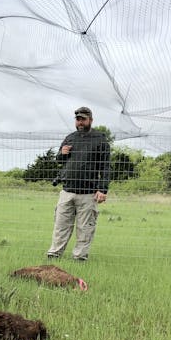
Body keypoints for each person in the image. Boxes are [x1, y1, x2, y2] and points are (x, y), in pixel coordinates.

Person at [46, 106, 110, 261]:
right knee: (61, 226)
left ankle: (80, 258)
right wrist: (62, 154)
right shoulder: (70, 137)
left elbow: (106, 166)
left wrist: (103, 189)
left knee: (85, 228)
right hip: (67, 191)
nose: (80, 122)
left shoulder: (100, 139)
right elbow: (59, 160)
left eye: (83, 119)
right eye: (78, 119)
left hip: (88, 193)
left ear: (90, 120)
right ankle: (54, 255)